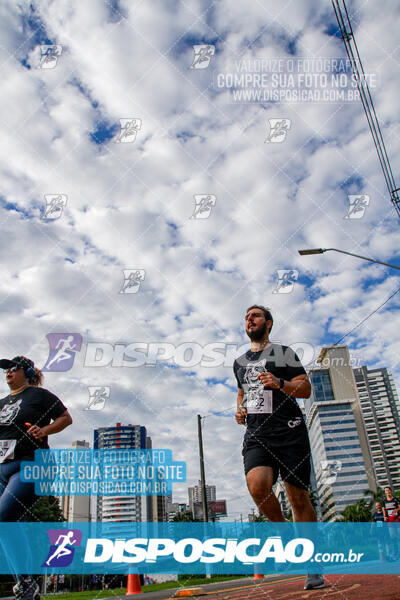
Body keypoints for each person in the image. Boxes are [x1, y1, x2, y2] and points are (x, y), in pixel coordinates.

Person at [234, 305, 324, 590]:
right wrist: (239, 409)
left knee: (297, 497)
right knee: (257, 486)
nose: (250, 318)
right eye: (247, 316)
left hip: (289, 430)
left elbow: (305, 388)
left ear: (268, 323)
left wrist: (280, 382)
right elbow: (241, 391)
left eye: (256, 315)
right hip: (257, 433)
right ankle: (285, 534)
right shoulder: (239, 362)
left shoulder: (283, 353)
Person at [0, 355, 72, 582]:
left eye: (14, 368)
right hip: (3, 468)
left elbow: (65, 418)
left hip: (33, 464)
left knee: (3, 518)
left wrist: (45, 430)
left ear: (28, 373)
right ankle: (25, 585)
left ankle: (25, 583)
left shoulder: (39, 395)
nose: (8, 372)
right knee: (5, 523)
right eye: (5, 370)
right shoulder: (1, 403)